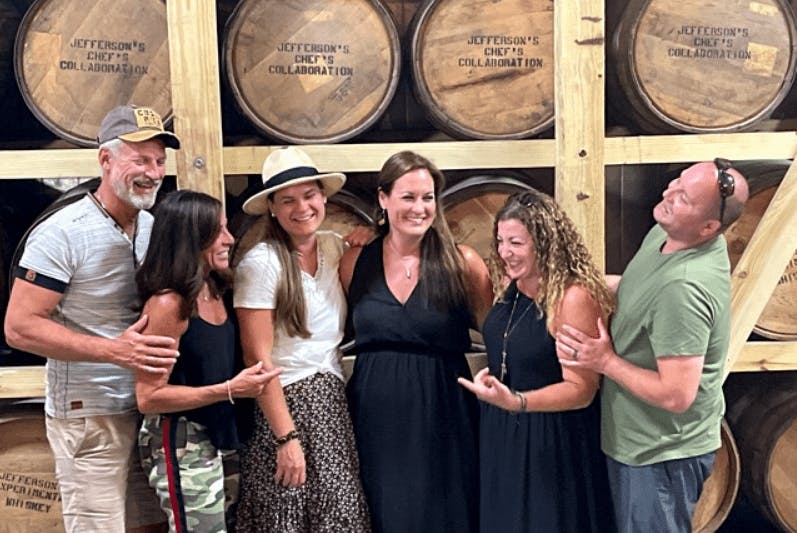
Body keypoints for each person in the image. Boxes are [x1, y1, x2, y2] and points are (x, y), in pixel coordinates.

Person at [3, 104, 181, 532]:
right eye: (140, 160)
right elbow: (19, 325)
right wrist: (115, 351)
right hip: (89, 417)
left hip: (145, 411)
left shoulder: (153, 227)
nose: (153, 172)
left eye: (159, 161)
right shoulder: (62, 232)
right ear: (106, 159)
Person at [555, 159, 750, 533]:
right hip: (638, 441)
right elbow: (637, 288)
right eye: (676, 183)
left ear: (710, 226)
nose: (668, 194)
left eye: (684, 198)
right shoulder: (668, 235)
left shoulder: (684, 289)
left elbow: (678, 394)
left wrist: (605, 361)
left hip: (659, 453)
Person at [339, 150, 493, 533]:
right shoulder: (354, 261)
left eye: (427, 197)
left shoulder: (463, 262)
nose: (419, 208)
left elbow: (497, 333)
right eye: (407, 197)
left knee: (446, 512)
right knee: (383, 511)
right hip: (375, 414)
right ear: (383, 199)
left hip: (445, 410)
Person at [457, 190, 616, 533]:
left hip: (550, 438)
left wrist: (518, 401)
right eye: (500, 241)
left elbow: (582, 389)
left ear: (544, 243)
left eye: (516, 243)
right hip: (504, 430)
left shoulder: (571, 299)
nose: (504, 252)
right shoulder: (510, 289)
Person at [232, 146, 372, 532]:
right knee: (287, 515)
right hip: (287, 404)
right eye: (288, 200)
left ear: (323, 198)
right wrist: (286, 438)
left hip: (330, 402)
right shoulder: (261, 264)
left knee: (337, 515)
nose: (302, 207)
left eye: (309, 195)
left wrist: (367, 237)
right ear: (273, 208)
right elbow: (256, 360)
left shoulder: (332, 245)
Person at [134, 190, 281, 532]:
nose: (230, 239)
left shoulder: (217, 289)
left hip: (222, 435)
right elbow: (149, 397)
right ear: (191, 237)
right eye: (219, 231)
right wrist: (229, 389)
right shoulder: (169, 304)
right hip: (182, 438)